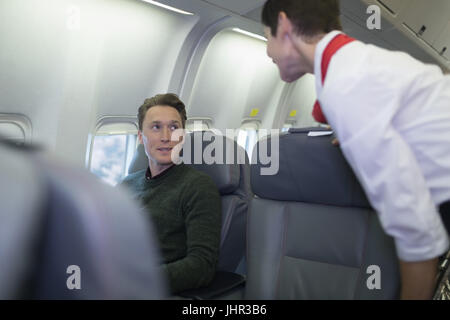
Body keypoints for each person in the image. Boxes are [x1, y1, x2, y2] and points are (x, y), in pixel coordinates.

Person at [261, 0, 450, 299]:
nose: (267, 51)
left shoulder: (345, 85)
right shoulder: (353, 66)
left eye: (266, 37)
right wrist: (355, 135)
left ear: (284, 26)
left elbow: (417, 238)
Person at [120, 93, 222, 294]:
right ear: (141, 137)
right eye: (156, 127)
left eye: (174, 127)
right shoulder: (126, 185)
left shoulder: (198, 187)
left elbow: (202, 265)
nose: (166, 137)